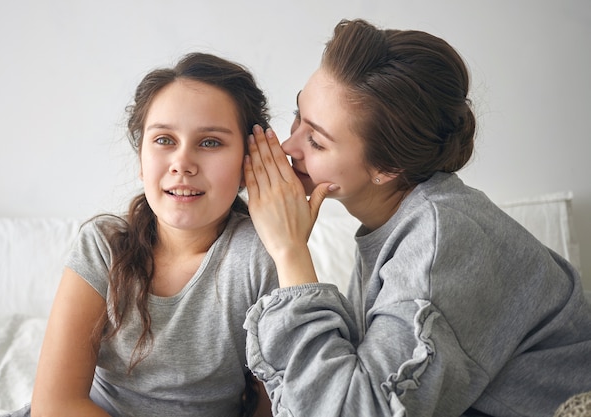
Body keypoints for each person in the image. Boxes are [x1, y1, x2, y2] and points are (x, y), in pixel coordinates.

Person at [243, 18, 591, 417]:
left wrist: (290, 253)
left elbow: (353, 410)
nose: (288, 145)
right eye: (297, 115)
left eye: (317, 141)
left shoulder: (440, 240)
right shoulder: (399, 221)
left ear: (387, 166)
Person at [3, 52, 277, 417]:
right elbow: (55, 405)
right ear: (141, 161)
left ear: (249, 163)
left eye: (210, 142)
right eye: (164, 140)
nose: (183, 162)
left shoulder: (259, 255)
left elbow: (273, 403)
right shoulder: (104, 246)